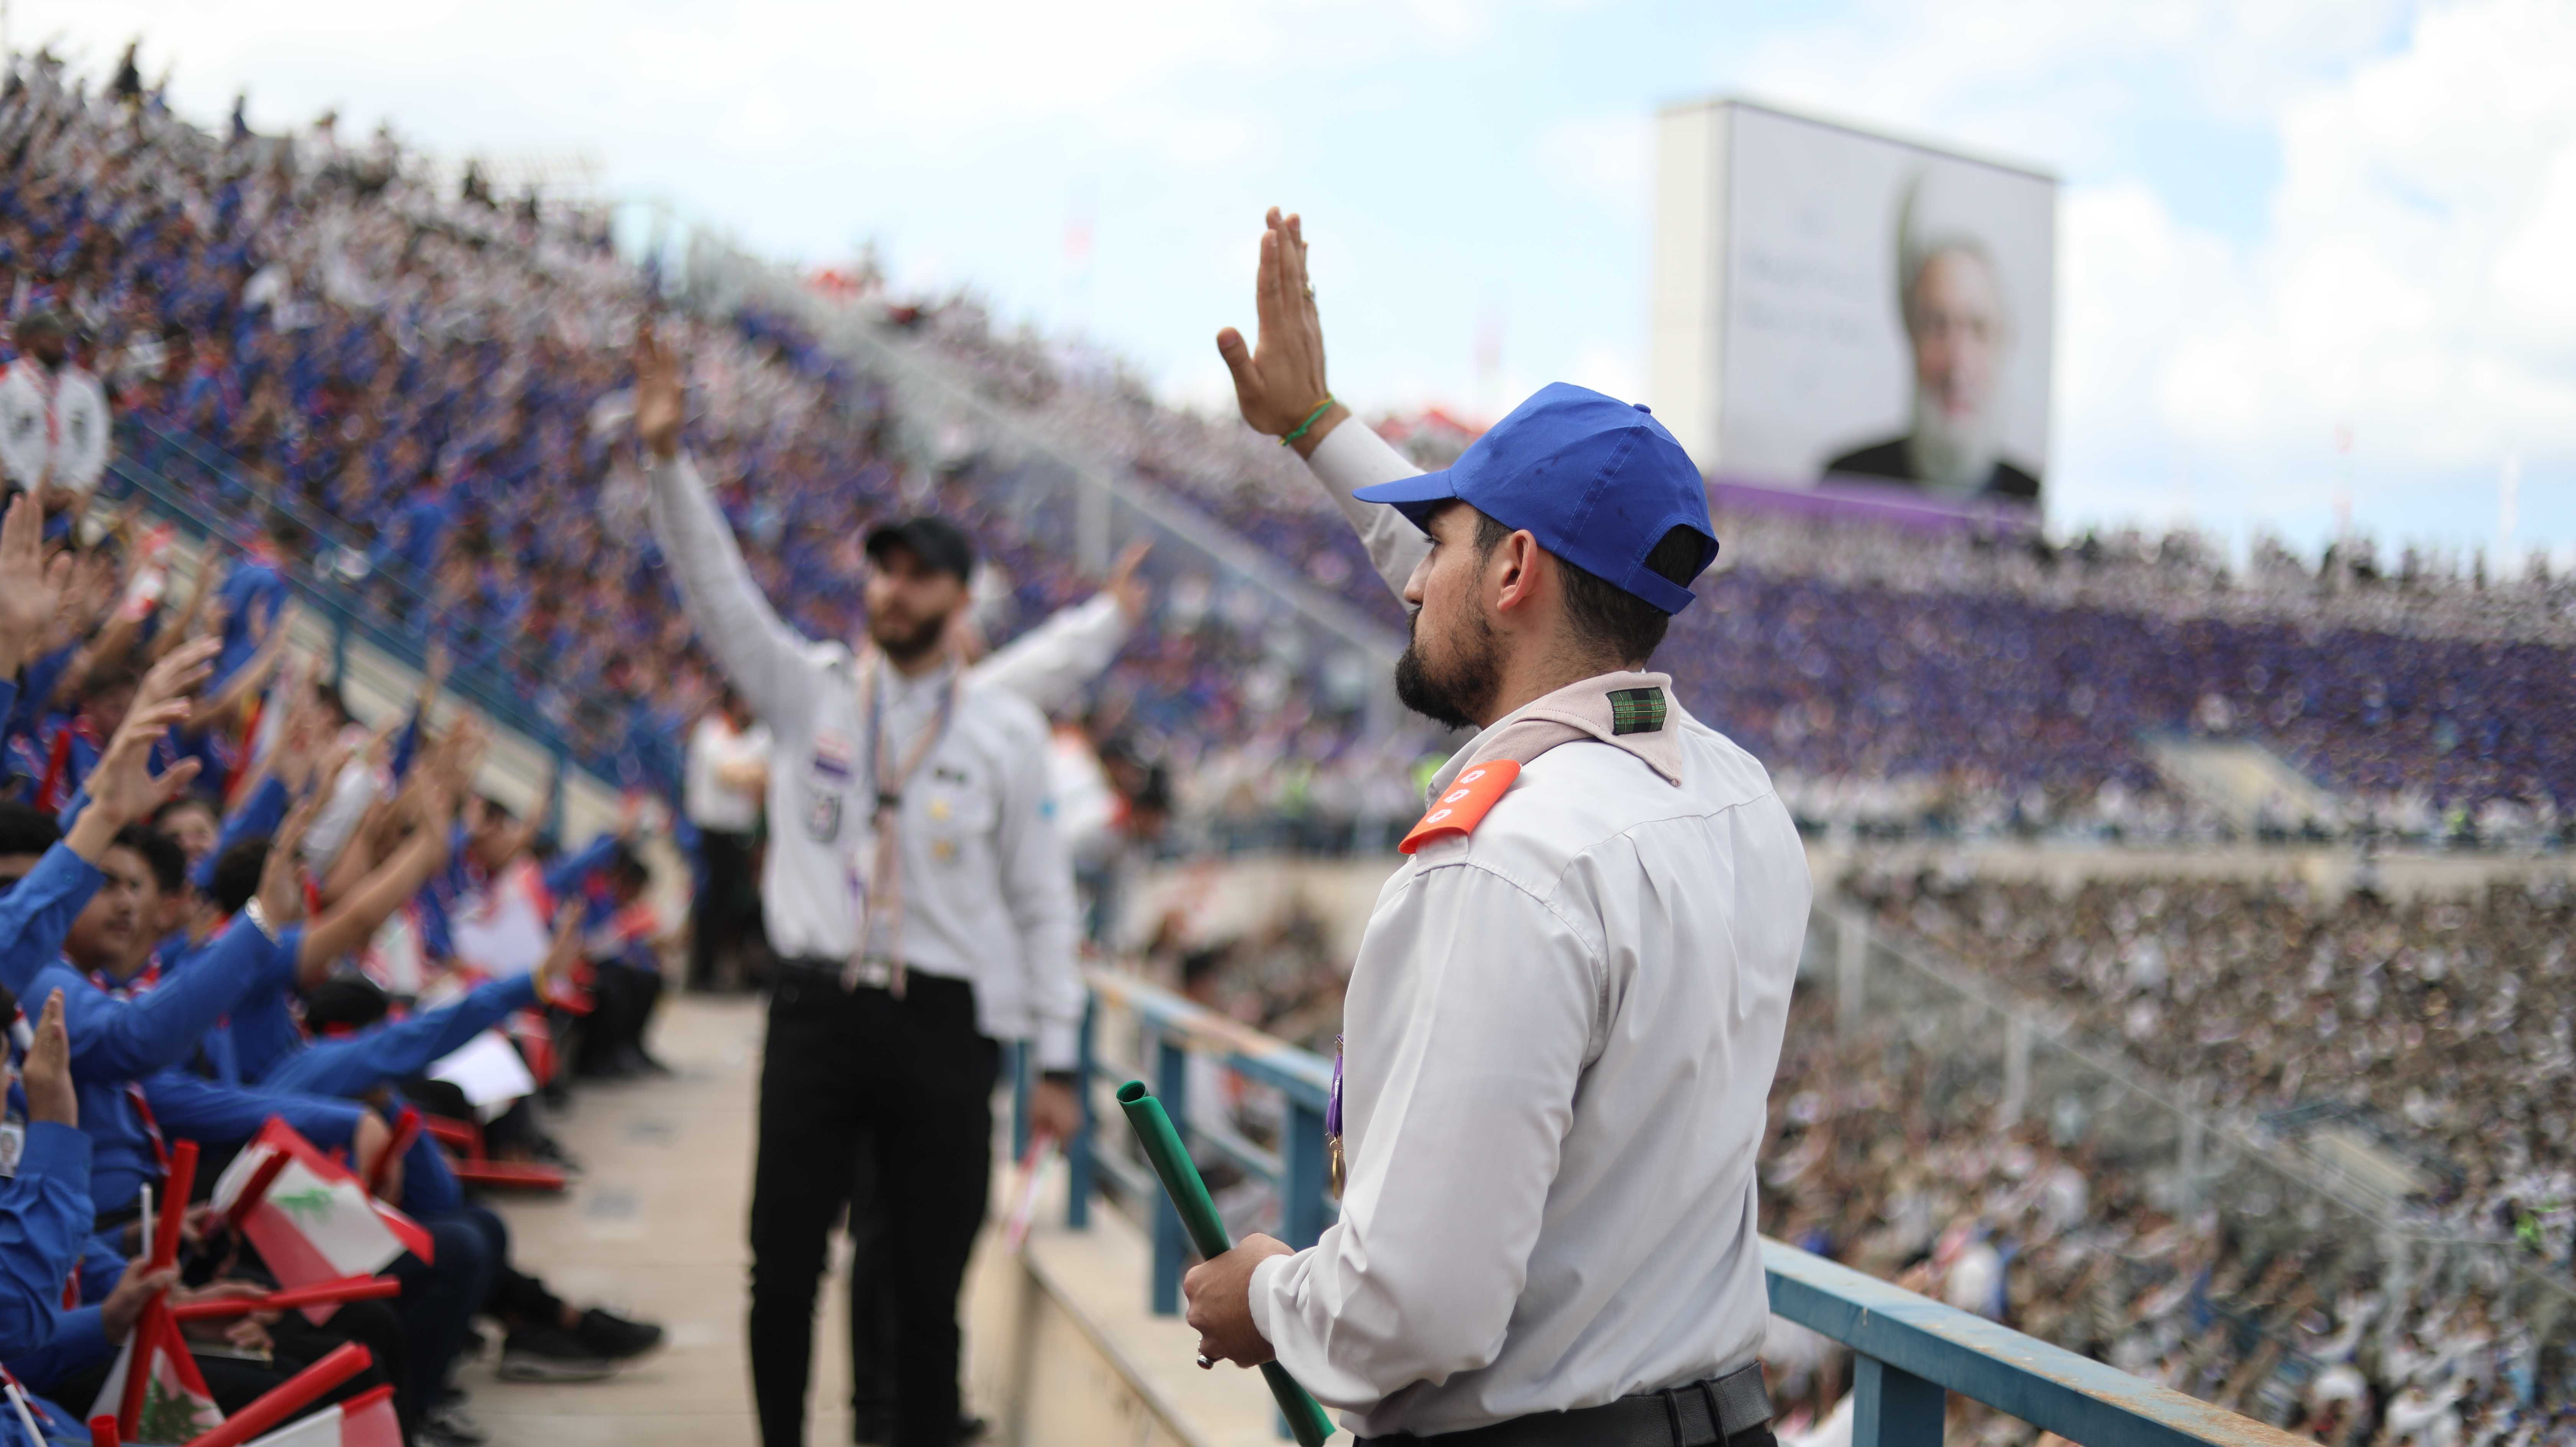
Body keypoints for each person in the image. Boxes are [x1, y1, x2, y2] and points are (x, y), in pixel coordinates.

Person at [1184, 209, 1811, 1445]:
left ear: (1517, 568)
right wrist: (1315, 427)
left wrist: (1259, 1292)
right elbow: (1477, 612)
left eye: (1442, 543)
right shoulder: (1735, 794)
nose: (1413, 577)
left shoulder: (1509, 860)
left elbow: (1416, 1307)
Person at [634, 329, 1086, 1447]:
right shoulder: (812, 695)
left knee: (927, 1286)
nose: (892, 588)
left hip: (942, 1023)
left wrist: (1057, 1057)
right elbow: (721, 596)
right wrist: (667, 463)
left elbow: (1041, 902)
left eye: (917, 573)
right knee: (782, 1264)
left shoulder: (1002, 732)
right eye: (882, 569)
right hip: (818, 1009)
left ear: (959, 596)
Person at [1821, 185, 2037, 502]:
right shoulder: (1846, 483)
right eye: (1938, 326)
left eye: (1978, 329)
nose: (1957, 365)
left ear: (2005, 341)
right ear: (1911, 335)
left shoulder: (2033, 499)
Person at [683, 684, 769, 991]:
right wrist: (758, 774)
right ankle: (701, 973)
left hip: (741, 835)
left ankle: (741, 973)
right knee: (709, 904)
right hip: (711, 835)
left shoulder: (757, 736)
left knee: (741, 907)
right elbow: (728, 775)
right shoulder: (711, 732)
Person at [0, 308, 111, 520]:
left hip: (66, 497)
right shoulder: (9, 382)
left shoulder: (85, 387)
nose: (60, 343)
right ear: (32, 339)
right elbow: (3, 441)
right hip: (16, 491)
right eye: (51, 336)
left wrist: (76, 484)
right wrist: (33, 484)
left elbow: (97, 441)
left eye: (62, 337)